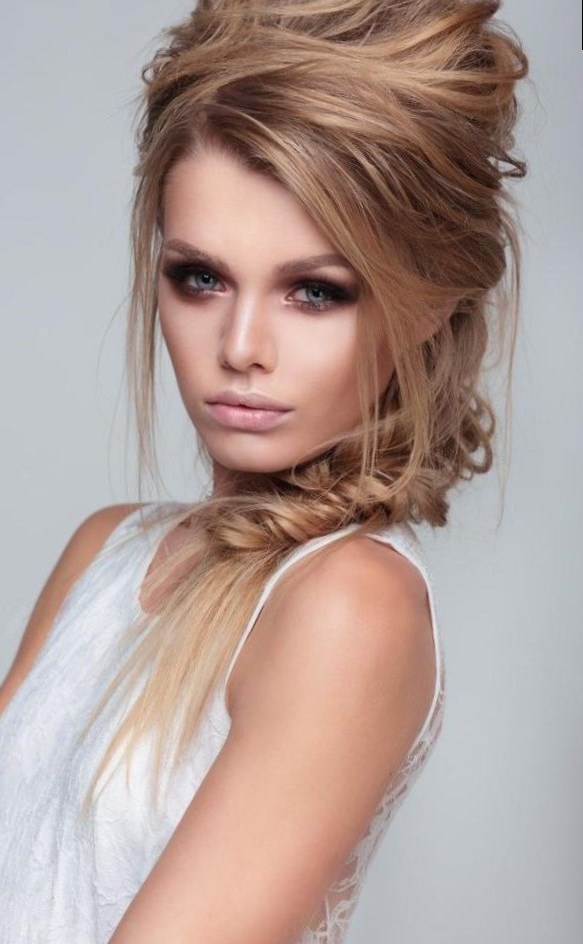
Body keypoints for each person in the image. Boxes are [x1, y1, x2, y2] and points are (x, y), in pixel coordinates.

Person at [0, 1, 529, 941]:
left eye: (314, 291)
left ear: (424, 303)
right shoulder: (106, 550)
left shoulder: (349, 604)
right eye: (200, 278)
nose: (240, 346)